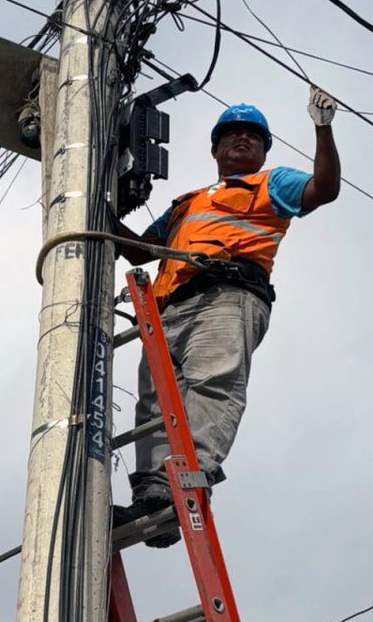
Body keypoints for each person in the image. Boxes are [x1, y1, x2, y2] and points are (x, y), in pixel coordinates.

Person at [113, 85, 341, 546]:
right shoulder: (188, 203)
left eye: (253, 136)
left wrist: (323, 128)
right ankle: (156, 497)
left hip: (228, 294)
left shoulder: (271, 183)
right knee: (154, 406)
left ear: (263, 149)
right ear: (215, 148)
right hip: (169, 309)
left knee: (212, 385)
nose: (242, 140)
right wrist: (90, 207)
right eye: (232, 134)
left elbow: (325, 189)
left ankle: (189, 482)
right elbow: (139, 247)